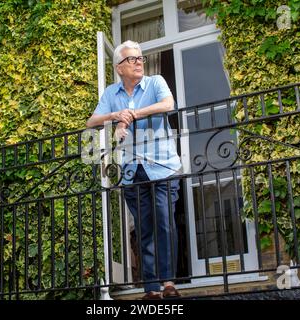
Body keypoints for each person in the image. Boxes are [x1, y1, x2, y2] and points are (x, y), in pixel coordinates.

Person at [86, 40, 182, 300]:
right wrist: (117, 115)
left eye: (140, 58)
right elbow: (92, 121)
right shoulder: (110, 93)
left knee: (165, 225)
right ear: (119, 67)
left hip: (162, 167)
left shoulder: (155, 82)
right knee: (145, 229)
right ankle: (151, 289)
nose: (139, 61)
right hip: (132, 170)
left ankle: (169, 284)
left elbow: (167, 104)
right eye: (132, 59)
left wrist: (134, 114)